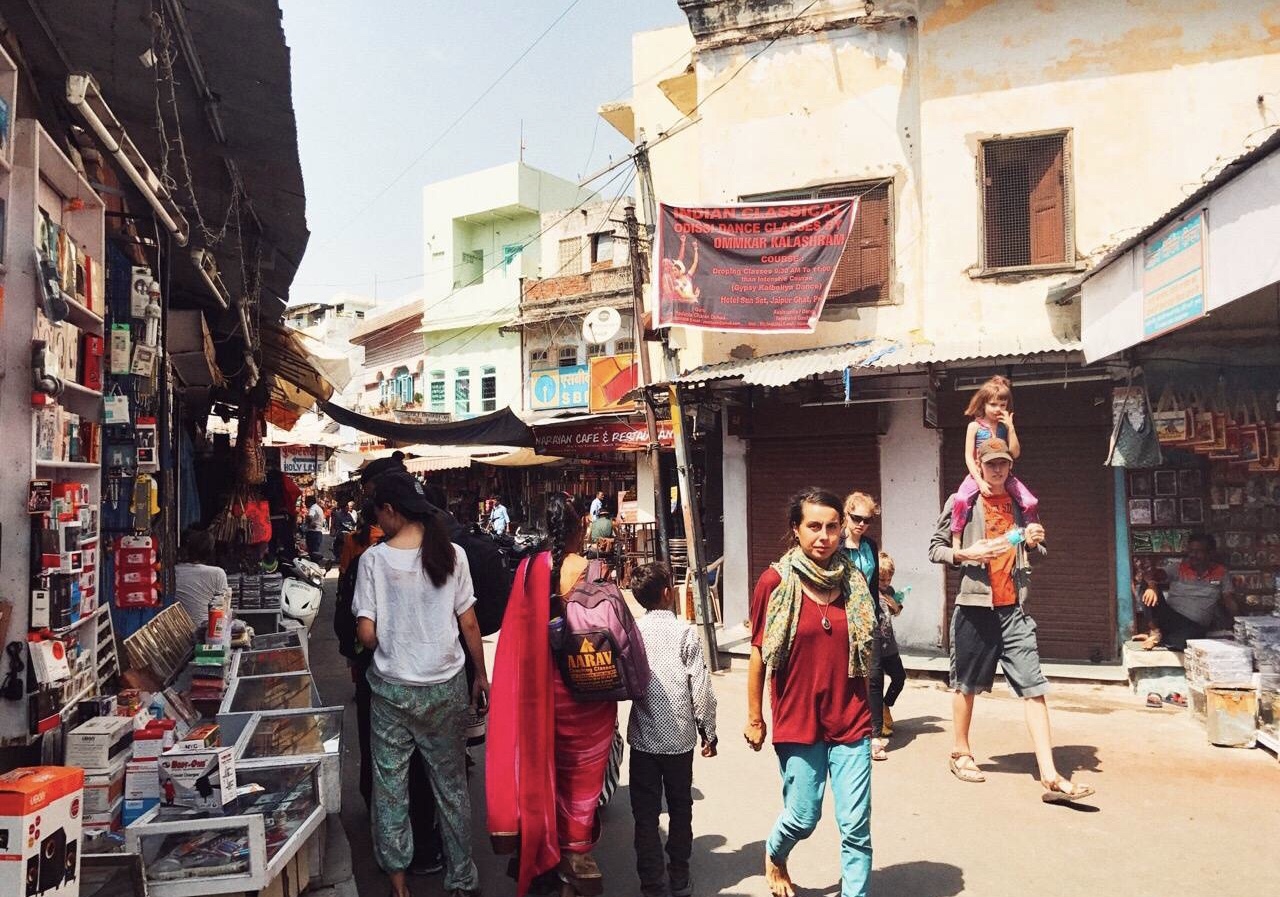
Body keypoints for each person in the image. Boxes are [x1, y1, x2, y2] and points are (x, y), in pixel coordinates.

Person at [928, 437, 1095, 804]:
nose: (998, 469)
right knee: (966, 684)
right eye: (991, 464)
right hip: (974, 608)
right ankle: (961, 752)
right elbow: (935, 548)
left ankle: (1050, 775)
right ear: (979, 464)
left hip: (1014, 609)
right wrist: (964, 553)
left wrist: (1035, 540)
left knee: (1034, 687)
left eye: (1003, 463)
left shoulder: (1021, 503)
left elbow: (1038, 547)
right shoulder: (962, 502)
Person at [352, 471, 489, 897]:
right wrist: (480, 675)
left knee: (390, 788)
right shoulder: (453, 554)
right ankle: (462, 879)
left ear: (390, 512)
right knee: (450, 789)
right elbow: (468, 621)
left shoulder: (373, 561)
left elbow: (366, 635)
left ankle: (398, 882)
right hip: (444, 686)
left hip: (391, 690)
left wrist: (385, 633)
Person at [746, 488, 876, 897]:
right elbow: (758, 655)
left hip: (851, 715)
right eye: (814, 526)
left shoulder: (855, 581)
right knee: (803, 817)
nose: (824, 535)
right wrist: (754, 717)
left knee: (856, 825)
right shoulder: (774, 582)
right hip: (797, 718)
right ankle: (775, 852)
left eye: (832, 527)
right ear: (796, 530)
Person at [487, 493, 617, 897]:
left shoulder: (528, 568)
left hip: (542, 693)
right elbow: (612, 631)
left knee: (548, 773)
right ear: (581, 524)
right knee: (581, 777)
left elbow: (517, 635)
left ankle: (546, 847)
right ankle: (575, 853)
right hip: (585, 694)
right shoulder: (591, 569)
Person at [334, 452, 444, 876]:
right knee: (422, 766)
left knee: (392, 766)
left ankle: (397, 849)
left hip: (385, 672)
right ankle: (429, 849)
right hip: (421, 673)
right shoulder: (428, 545)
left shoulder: (373, 552)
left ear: (387, 505)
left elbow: (357, 623)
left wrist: (361, 653)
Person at [627, 563, 718, 897]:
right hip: (680, 740)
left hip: (643, 738)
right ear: (667, 593)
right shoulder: (685, 631)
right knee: (680, 805)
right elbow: (701, 687)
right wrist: (708, 730)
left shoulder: (633, 631)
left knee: (645, 811)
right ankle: (678, 874)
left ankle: (651, 880)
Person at [949, 375, 1038, 550]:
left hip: (1004, 474)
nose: (998, 409)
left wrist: (1011, 428)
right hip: (978, 474)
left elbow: (1015, 452)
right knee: (960, 499)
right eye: (993, 404)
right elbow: (968, 456)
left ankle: (1031, 534)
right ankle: (956, 541)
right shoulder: (974, 427)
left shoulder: (1005, 427)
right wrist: (980, 481)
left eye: (1002, 405)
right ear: (983, 404)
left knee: (1030, 502)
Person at [1136, 533, 1236, 651]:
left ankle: (1159, 638)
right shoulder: (1178, 568)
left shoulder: (1221, 573)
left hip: (1193, 625)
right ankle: (1155, 632)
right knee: (1144, 586)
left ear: (1210, 553)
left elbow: (1229, 600)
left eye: (1199, 551)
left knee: (1183, 643)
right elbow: (1149, 575)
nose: (1193, 555)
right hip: (1169, 617)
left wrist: (1238, 624)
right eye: (1191, 551)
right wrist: (1152, 586)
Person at [841, 492, 884, 761]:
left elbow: (873, 585)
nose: (860, 524)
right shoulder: (835, 545)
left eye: (866, 520)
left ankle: (874, 733)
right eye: (856, 518)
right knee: (845, 675)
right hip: (842, 617)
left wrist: (878, 615)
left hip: (868, 617)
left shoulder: (870, 545)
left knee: (875, 674)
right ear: (846, 515)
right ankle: (847, 727)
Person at [875, 552, 908, 746]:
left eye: (889, 578)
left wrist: (896, 607)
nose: (886, 582)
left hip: (890, 645)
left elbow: (896, 610)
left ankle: (886, 705)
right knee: (876, 684)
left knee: (899, 678)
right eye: (882, 579)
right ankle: (878, 724)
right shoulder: (870, 590)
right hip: (876, 646)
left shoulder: (890, 590)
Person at [173, 528, 228, 631]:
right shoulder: (217, 573)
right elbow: (223, 609)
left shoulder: (175, 571)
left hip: (178, 632)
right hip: (206, 632)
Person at [305, 494, 326, 560]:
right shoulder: (318, 508)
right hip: (318, 532)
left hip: (313, 533)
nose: (305, 504)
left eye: (306, 501)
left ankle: (315, 566)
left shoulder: (313, 508)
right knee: (315, 552)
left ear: (310, 502)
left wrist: (310, 523)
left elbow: (309, 517)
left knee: (313, 553)